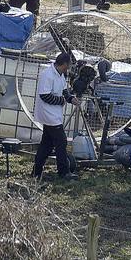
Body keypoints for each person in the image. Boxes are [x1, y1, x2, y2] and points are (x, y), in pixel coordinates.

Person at [31, 52, 75, 181]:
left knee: (46, 144)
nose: (69, 68)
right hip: (48, 114)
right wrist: (61, 101)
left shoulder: (60, 75)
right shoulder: (47, 75)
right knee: (61, 141)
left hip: (54, 114)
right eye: (69, 65)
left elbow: (64, 91)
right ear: (65, 64)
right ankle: (63, 172)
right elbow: (44, 95)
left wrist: (71, 99)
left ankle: (36, 172)